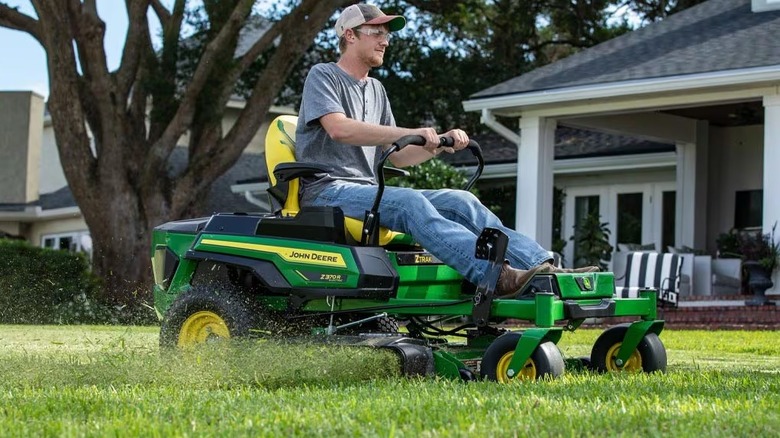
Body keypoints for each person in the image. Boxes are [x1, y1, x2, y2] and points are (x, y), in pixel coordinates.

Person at [295, 3, 597, 295]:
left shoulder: (376, 90)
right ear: (350, 35)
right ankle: (495, 275)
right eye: (377, 33)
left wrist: (436, 143)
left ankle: (541, 269)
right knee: (410, 204)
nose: (385, 41)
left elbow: (398, 155)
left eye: (387, 35)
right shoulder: (323, 75)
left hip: (365, 192)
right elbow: (340, 128)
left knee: (461, 200)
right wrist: (412, 132)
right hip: (327, 191)